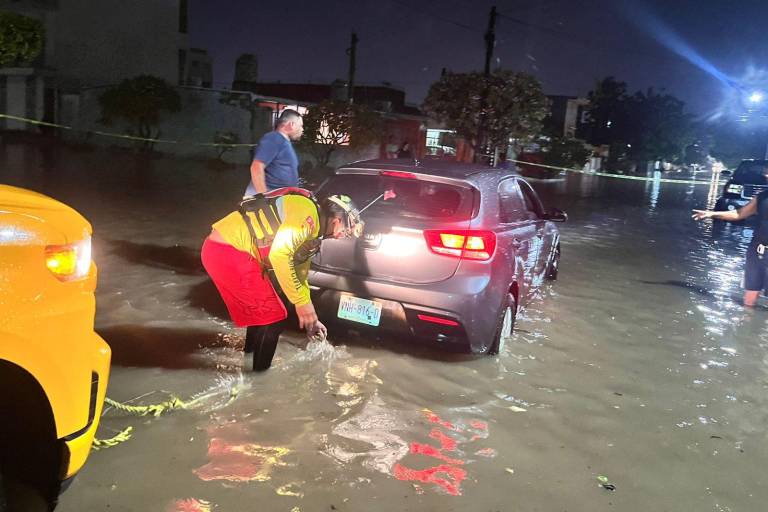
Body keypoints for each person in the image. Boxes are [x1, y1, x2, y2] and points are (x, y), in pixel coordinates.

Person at [201, 188, 364, 370]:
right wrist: (302, 304)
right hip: (227, 250)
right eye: (348, 228)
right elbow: (279, 255)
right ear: (337, 219)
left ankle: (248, 359)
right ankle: (258, 380)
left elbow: (300, 273)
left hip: (230, 251)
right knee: (274, 318)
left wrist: (311, 318)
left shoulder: (313, 232)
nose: (346, 235)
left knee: (266, 313)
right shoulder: (307, 214)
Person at [692, 185, 768, 307]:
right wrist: (711, 214)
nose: (766, 176)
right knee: (750, 295)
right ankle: (747, 316)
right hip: (757, 251)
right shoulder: (762, 197)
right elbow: (739, 213)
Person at [245, 109, 304, 197]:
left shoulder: (283, 142)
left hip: (277, 198)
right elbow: (257, 167)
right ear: (291, 124)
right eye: (300, 126)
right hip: (266, 199)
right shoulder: (274, 138)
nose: (302, 129)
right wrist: (263, 198)